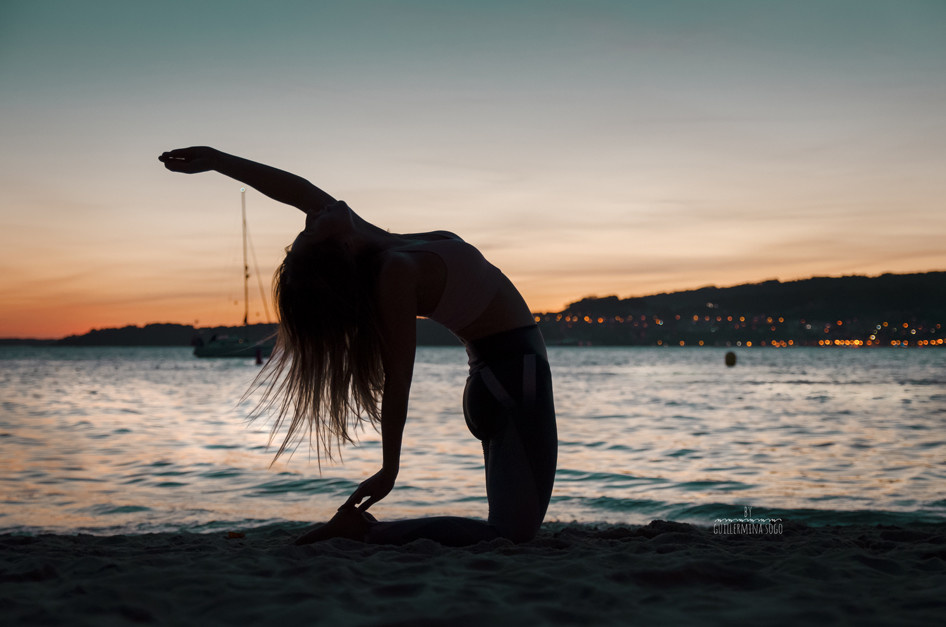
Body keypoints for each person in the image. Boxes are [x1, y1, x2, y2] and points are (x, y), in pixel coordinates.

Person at [159, 147, 557, 546]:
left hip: (502, 379)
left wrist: (217, 160)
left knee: (509, 525)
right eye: (309, 231)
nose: (311, 216)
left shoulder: (383, 244)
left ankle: (365, 533)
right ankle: (364, 532)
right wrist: (390, 469)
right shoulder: (395, 271)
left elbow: (295, 189)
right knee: (510, 535)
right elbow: (398, 376)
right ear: (341, 250)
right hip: (513, 379)